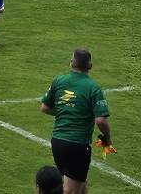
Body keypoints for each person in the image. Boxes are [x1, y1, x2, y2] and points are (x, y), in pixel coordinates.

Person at [40, 48, 113, 194]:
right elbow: (100, 121)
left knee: (80, 184)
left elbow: (45, 108)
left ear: (71, 63)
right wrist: (108, 138)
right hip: (78, 145)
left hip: (58, 142)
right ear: (90, 65)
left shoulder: (58, 81)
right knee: (70, 190)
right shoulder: (93, 88)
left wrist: (66, 111)